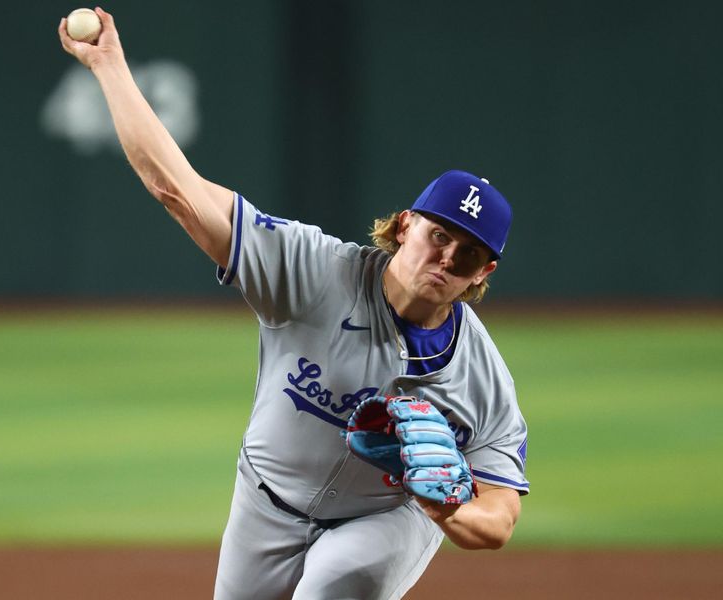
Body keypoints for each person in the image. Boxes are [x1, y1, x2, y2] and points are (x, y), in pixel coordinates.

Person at [59, 8, 528, 600]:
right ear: (406, 225)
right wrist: (109, 65)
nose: (445, 258)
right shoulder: (312, 271)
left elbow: (500, 519)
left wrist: (448, 510)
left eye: (467, 255)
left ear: (483, 273)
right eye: (439, 235)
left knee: (330, 582)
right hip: (265, 502)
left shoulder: (481, 380)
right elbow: (177, 189)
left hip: (384, 522)